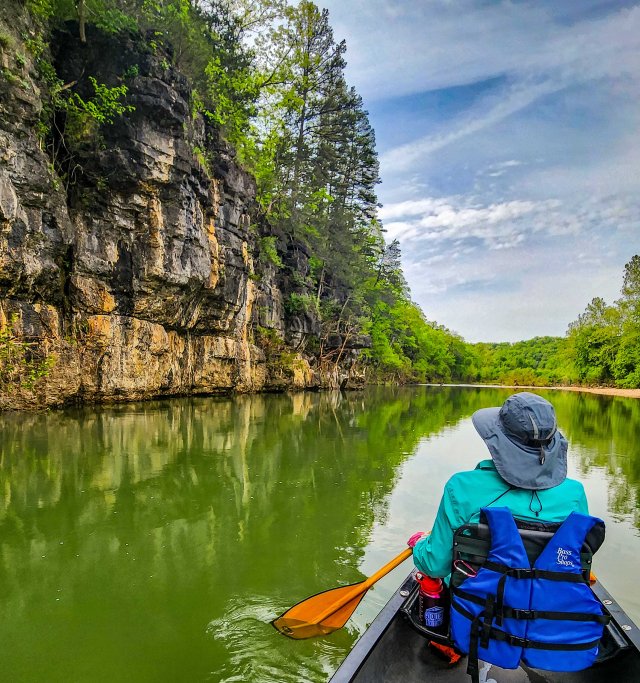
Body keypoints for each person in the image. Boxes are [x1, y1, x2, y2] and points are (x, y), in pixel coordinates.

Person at [408, 391, 588, 578]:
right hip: (551, 596)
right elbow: (578, 557)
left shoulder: (462, 487)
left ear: (497, 439)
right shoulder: (575, 494)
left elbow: (435, 567)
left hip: (477, 597)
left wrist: (419, 545)